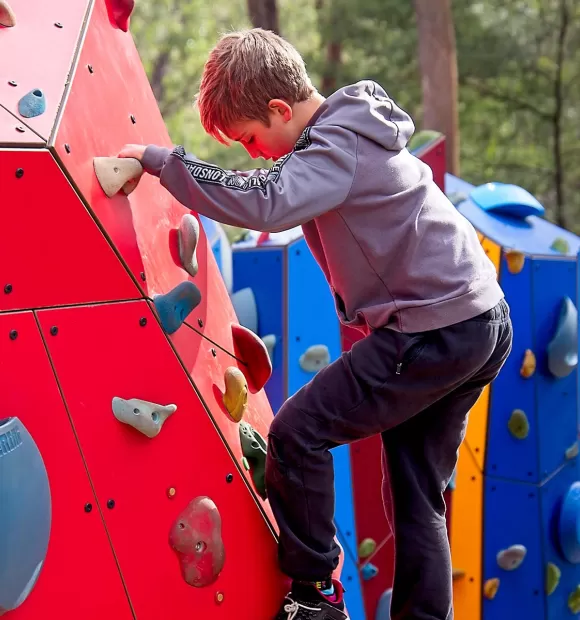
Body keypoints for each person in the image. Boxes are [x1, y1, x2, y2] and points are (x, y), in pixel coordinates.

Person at [119, 28, 512, 620]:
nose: (253, 153)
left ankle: (315, 595)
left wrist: (162, 163)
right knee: (417, 492)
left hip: (435, 330)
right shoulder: (352, 132)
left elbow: (267, 201)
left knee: (298, 433)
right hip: (478, 320)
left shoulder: (334, 147)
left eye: (251, 138)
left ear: (281, 109)